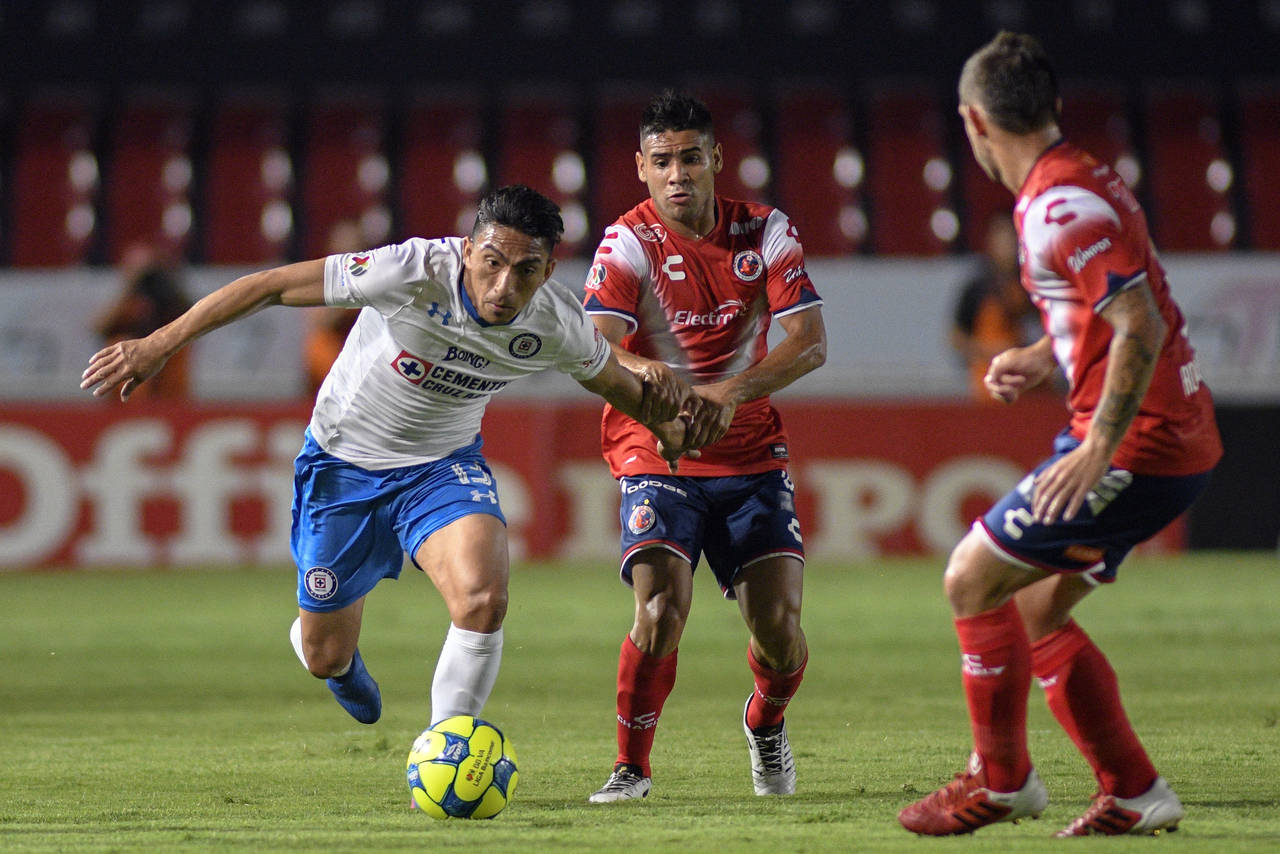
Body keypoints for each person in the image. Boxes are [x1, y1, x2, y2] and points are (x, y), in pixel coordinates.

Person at [82, 185, 705, 732]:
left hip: (443, 468)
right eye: (492, 262)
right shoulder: (409, 270)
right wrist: (157, 345)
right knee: (323, 652)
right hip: (342, 466)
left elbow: (619, 388)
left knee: (483, 598)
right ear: (467, 249)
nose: (504, 285)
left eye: (526, 270)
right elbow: (269, 287)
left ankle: (448, 743)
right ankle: (336, 662)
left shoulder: (555, 322)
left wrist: (675, 430)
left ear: (547, 273)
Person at [897, 32, 1222, 837]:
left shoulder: (1058, 204)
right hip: (1174, 435)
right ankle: (1136, 792)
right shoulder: (1080, 179)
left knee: (970, 578)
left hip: (1141, 444)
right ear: (1053, 107)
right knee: (1036, 609)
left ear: (973, 121)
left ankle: (1002, 782)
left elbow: (1140, 324)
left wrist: (1098, 447)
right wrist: (1046, 354)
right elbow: (1117, 306)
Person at [580, 91, 827, 803]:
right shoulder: (627, 242)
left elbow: (810, 345)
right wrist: (659, 386)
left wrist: (728, 394)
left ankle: (766, 722)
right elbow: (596, 350)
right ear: (641, 169)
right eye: (663, 162)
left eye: (691, 157)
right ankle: (632, 767)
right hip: (658, 450)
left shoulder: (764, 231)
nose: (678, 173)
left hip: (748, 453)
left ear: (717, 158)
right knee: (659, 610)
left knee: (779, 631)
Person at [950, 212, 1042, 402]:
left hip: (1034, 384)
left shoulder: (1033, 283)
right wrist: (990, 351)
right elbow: (956, 337)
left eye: (1012, 238)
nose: (1007, 246)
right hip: (988, 385)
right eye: (1001, 239)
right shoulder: (978, 286)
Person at [93, 243, 193, 401]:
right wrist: (133, 282)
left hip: (168, 374)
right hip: (132, 374)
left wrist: (167, 273)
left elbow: (192, 316)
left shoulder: (173, 307)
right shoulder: (128, 307)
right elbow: (99, 327)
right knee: (118, 347)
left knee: (179, 347)